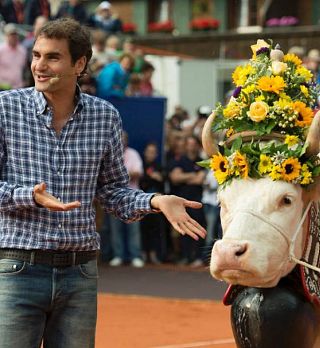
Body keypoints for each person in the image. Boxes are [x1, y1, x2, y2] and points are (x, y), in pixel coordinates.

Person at [0, 18, 206, 347]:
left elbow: (113, 192)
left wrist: (155, 201)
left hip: (79, 273)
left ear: (79, 63)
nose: (39, 65)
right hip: (17, 268)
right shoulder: (5, 109)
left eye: (53, 57)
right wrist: (30, 196)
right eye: (37, 55)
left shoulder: (105, 116)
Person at [108, 131, 145, 268]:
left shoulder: (133, 154)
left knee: (133, 229)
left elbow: (138, 173)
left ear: (127, 141)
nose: (121, 141)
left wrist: (120, 176)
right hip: (114, 198)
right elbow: (107, 176)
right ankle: (118, 256)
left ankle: (135, 256)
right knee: (115, 229)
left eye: (123, 138)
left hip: (132, 198)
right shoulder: (110, 154)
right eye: (119, 138)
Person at [0, 23, 27, 89]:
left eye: (15, 34)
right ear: (6, 36)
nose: (13, 37)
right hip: (3, 87)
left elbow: (24, 67)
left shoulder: (22, 50)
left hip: (18, 87)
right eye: (11, 35)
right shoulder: (1, 50)